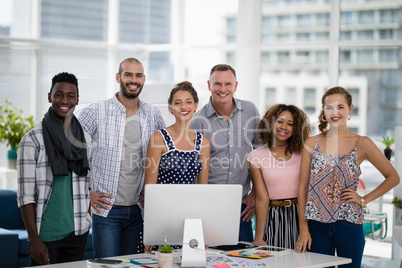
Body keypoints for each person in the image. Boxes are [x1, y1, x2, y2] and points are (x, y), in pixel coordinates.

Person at [295, 86, 400, 267]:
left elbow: (393, 177)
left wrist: (364, 199)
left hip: (349, 225)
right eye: (329, 107)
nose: (335, 112)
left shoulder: (362, 143)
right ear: (323, 111)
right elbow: (303, 187)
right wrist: (304, 228)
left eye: (340, 107)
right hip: (316, 225)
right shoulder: (312, 142)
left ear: (350, 109)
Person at [78, 58, 165, 258]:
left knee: (133, 265)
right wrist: (86, 192)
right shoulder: (96, 111)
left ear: (143, 79)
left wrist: (155, 193)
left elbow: (162, 158)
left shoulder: (153, 114)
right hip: (107, 210)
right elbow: (73, 153)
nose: (133, 80)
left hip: (139, 210)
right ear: (118, 77)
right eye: (128, 75)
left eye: (138, 75)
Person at [17, 72, 91, 265]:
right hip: (46, 234)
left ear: (77, 99)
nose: (64, 100)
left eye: (70, 95)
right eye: (58, 94)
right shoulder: (32, 139)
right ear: (49, 96)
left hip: (78, 232)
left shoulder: (83, 138)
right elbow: (25, 196)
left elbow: (87, 182)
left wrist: (87, 215)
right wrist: (34, 240)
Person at [191, 64, 261, 242]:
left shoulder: (250, 111)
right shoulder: (197, 121)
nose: (223, 89)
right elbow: (194, 168)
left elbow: (261, 154)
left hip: (242, 205)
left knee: (243, 258)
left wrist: (254, 194)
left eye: (228, 84)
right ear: (209, 85)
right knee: (211, 259)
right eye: (217, 84)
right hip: (209, 205)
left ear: (235, 86)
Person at [144, 81, 210, 253]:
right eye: (178, 102)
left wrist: (202, 231)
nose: (183, 107)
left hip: (189, 220)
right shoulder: (158, 138)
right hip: (162, 218)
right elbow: (150, 189)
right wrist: (153, 229)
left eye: (188, 102)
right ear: (170, 108)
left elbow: (202, 192)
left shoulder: (204, 143)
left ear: (196, 106)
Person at [247, 104, 311, 249]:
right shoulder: (256, 156)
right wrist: (258, 237)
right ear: (270, 123)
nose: (284, 127)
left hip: (301, 216)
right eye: (280, 121)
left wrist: (304, 229)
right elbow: (262, 198)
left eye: (291, 124)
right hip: (272, 217)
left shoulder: (304, 154)